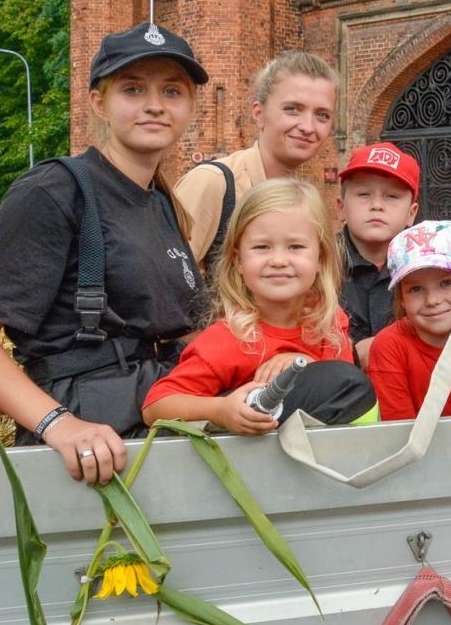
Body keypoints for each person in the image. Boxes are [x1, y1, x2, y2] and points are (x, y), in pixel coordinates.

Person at [0, 22, 208, 484]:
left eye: (171, 91)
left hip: (156, 407)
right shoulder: (56, 191)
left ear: (190, 107)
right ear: (98, 102)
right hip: (90, 435)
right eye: (132, 89)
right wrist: (58, 424)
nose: (154, 105)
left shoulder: (160, 201)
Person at [144, 178, 359, 430]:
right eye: (262, 247)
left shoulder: (329, 321)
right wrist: (220, 410)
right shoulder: (229, 338)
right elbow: (155, 406)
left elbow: (345, 390)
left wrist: (306, 366)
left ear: (320, 258)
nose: (278, 260)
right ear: (238, 261)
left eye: (295, 246)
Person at [176, 52, 338, 265]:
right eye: (292, 109)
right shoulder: (215, 183)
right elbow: (165, 281)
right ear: (259, 113)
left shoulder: (308, 201)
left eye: (322, 115)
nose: (308, 126)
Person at [366, 220, 451, 421]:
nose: (432, 301)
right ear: (401, 297)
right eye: (415, 289)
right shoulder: (390, 346)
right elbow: (399, 435)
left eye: (446, 283)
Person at [338, 143, 420, 365]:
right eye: (363, 194)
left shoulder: (425, 268)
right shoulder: (317, 265)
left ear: (411, 213)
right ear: (341, 207)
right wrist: (352, 355)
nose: (376, 205)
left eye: (392, 196)